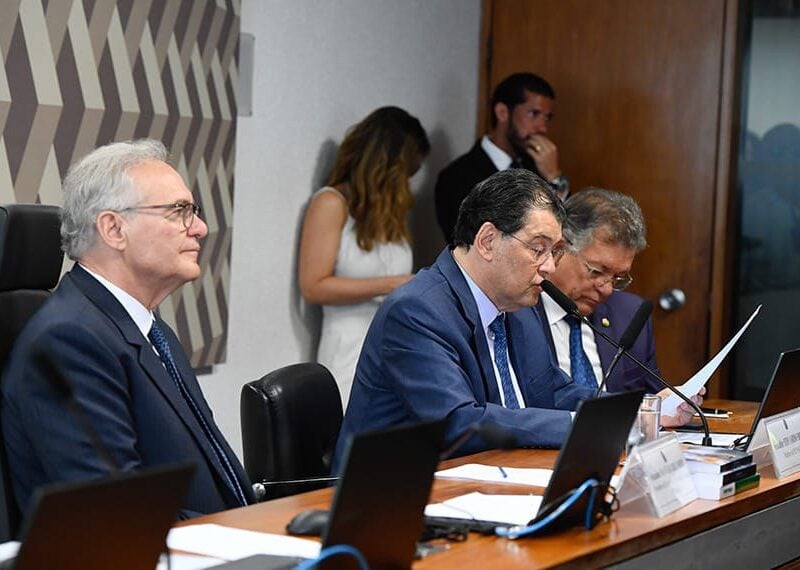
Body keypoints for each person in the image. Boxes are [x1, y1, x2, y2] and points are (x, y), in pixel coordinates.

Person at [1, 139, 254, 518]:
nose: (200, 228)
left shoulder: (153, 331)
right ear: (114, 229)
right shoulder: (69, 341)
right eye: (179, 211)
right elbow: (114, 512)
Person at [333, 168, 593, 471]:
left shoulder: (519, 305)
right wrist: (577, 425)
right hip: (390, 497)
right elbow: (459, 423)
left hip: (487, 479)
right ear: (487, 241)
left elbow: (554, 390)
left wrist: (635, 412)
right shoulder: (417, 312)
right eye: (538, 249)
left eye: (555, 252)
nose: (549, 267)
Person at [298, 107, 430, 407]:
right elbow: (313, 286)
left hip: (394, 349)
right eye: (409, 171)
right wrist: (394, 284)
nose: (409, 183)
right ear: (389, 166)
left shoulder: (389, 213)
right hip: (348, 351)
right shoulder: (331, 203)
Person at [536, 188, 663, 393]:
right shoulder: (516, 310)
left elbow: (649, 396)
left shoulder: (630, 314)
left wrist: (667, 405)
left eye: (618, 277)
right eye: (596, 271)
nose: (607, 290)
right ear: (559, 247)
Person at [434, 72, 569, 243]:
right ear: (502, 112)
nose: (543, 127)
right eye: (534, 114)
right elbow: (469, 244)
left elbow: (574, 234)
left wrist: (555, 178)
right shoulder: (456, 176)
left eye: (547, 117)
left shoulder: (538, 168)